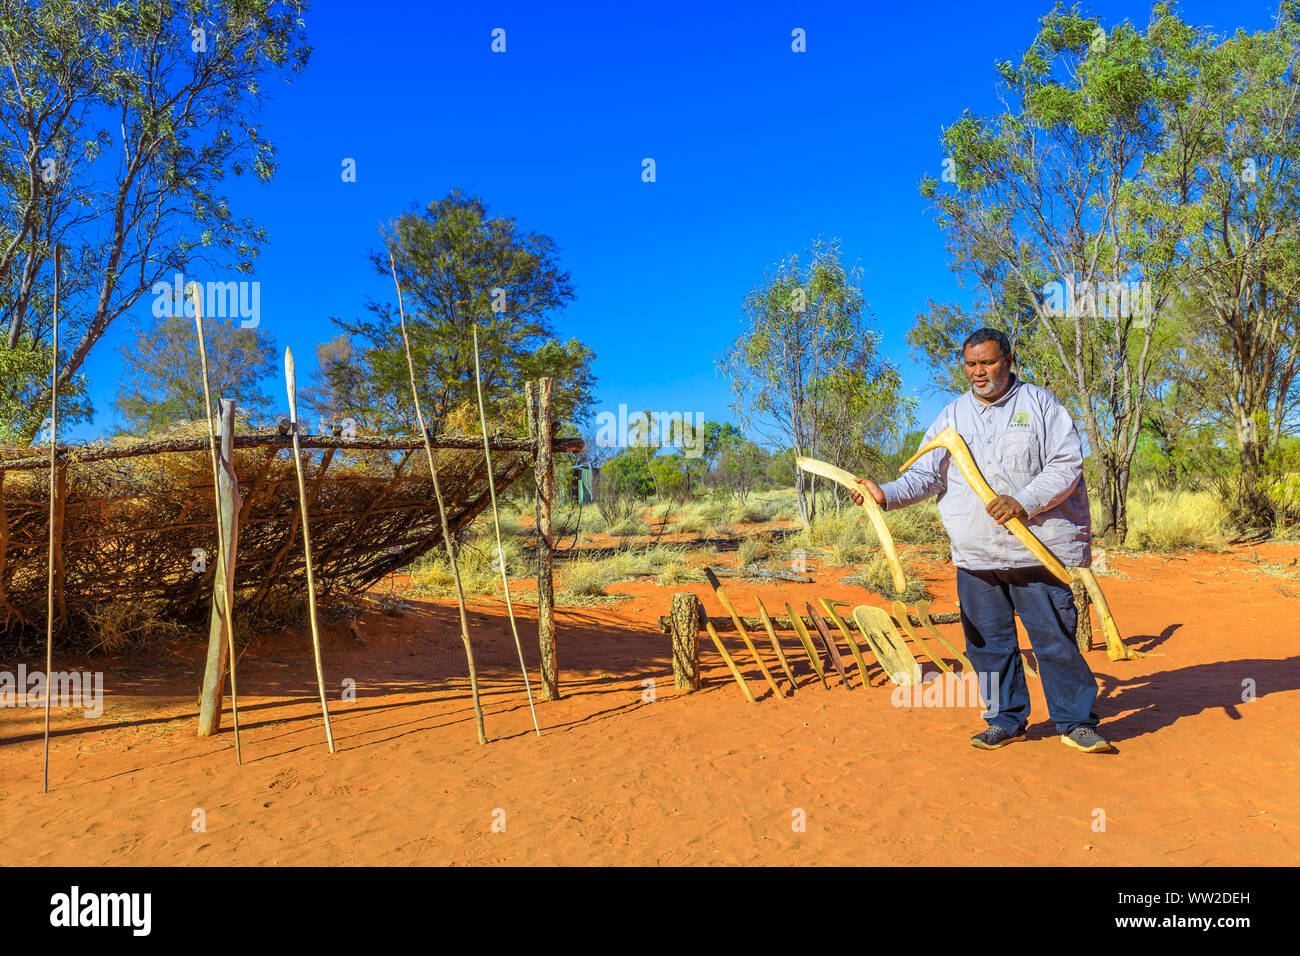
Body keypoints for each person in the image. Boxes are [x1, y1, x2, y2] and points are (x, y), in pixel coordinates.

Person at [850, 328, 1110, 753]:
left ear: (1008, 359)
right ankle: (1005, 719)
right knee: (989, 645)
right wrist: (884, 493)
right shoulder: (952, 416)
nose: (978, 372)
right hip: (977, 558)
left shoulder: (1041, 406)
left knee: (1054, 641)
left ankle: (1076, 722)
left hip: (1036, 551)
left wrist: (1023, 502)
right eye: (970, 364)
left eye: (987, 362)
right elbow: (924, 475)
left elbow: (1066, 465)